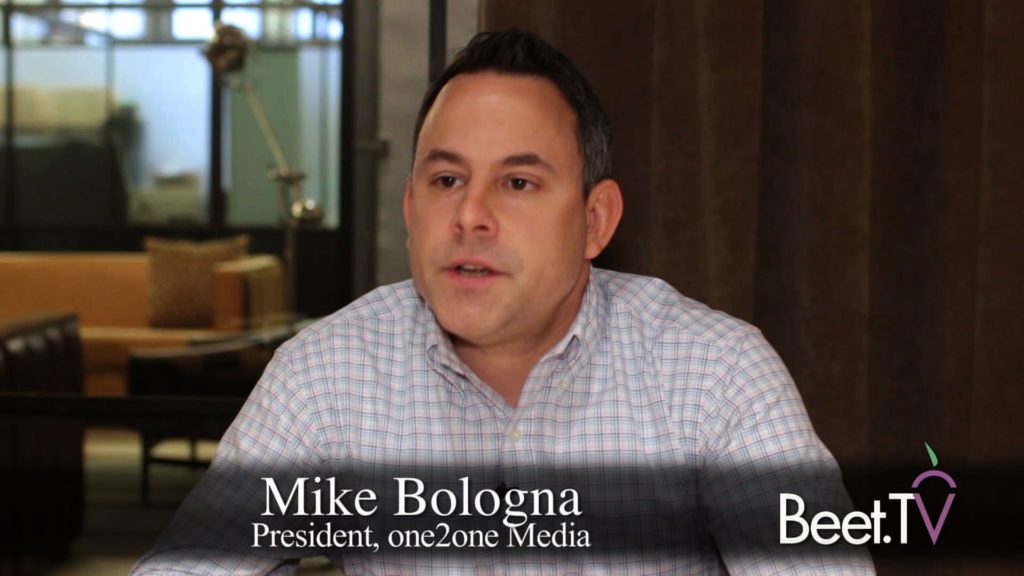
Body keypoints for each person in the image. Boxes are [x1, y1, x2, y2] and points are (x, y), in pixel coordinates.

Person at [132, 29, 874, 574]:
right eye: (447, 180)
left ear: (595, 221)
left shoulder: (714, 372)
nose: (470, 216)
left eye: (518, 183)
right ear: (411, 210)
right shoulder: (328, 373)